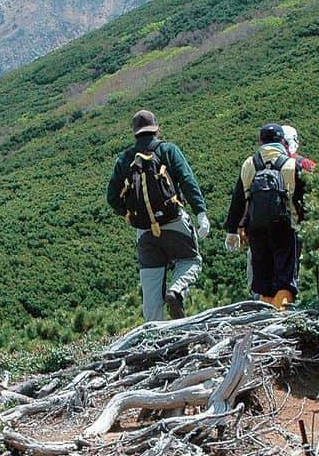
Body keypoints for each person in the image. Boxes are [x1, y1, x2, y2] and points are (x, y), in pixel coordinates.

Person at [106, 109, 210, 321]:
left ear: (135, 133)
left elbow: (111, 197)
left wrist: (130, 216)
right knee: (191, 260)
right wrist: (201, 213)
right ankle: (176, 290)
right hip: (174, 223)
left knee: (151, 290)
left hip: (144, 231)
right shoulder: (168, 150)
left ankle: (155, 339)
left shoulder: (125, 159)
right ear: (156, 129)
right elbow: (187, 181)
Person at [223, 122, 306, 308]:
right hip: (285, 229)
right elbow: (303, 202)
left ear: (260, 141)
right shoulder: (292, 165)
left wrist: (232, 230)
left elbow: (238, 200)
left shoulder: (249, 164)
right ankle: (282, 316)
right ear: (282, 141)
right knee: (285, 280)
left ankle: (265, 316)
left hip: (257, 231)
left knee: (263, 281)